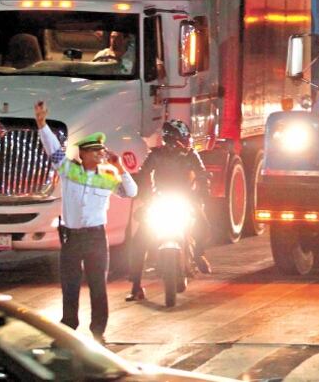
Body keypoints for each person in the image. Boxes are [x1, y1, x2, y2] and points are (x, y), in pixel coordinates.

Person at [34, 101, 137, 345]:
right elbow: (52, 149)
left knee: (97, 286)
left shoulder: (108, 176)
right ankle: (69, 325)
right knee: (69, 285)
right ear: (82, 154)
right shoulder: (69, 170)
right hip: (71, 237)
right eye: (94, 151)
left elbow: (131, 192)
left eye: (101, 152)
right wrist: (41, 124)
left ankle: (98, 331)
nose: (100, 155)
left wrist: (120, 167)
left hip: (95, 238)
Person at [125, 119, 212, 302]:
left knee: (203, 225)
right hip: (160, 200)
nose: (180, 143)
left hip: (185, 198)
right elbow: (143, 174)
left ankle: (198, 254)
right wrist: (142, 193)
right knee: (139, 241)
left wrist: (203, 188)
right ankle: (135, 286)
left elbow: (202, 174)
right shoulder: (155, 155)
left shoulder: (191, 155)